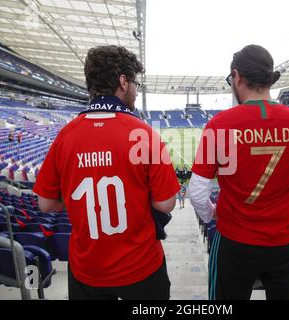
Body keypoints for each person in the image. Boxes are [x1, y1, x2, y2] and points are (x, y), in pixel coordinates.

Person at [33, 45, 180, 300]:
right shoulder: (144, 134)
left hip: (86, 270)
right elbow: (166, 204)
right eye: (134, 82)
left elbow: (45, 204)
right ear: (123, 82)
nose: (135, 89)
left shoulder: (65, 136)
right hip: (141, 268)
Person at [189, 44, 289, 300]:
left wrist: (212, 216)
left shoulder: (219, 125)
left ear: (237, 76)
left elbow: (198, 192)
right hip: (281, 242)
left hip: (233, 240)